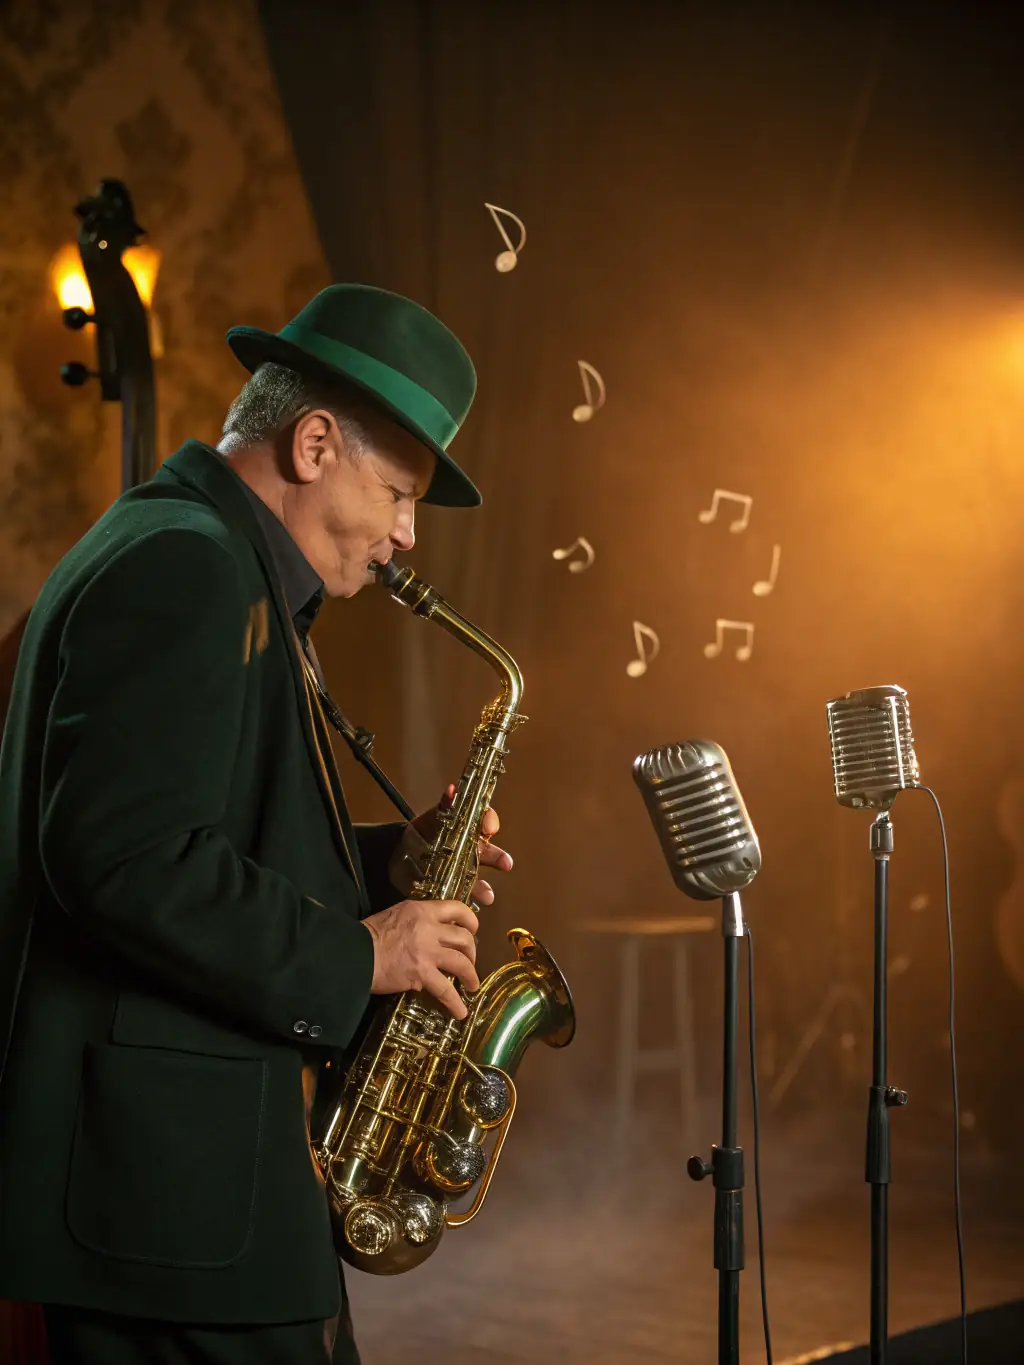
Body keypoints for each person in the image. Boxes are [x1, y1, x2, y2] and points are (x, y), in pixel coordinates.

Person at [0, 284, 512, 1364]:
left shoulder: (207, 556)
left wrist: (391, 865)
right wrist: (359, 953)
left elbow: (196, 837)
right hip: (169, 1204)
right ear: (315, 441)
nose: (404, 537)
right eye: (399, 494)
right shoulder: (186, 563)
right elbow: (122, 857)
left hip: (188, 1201)